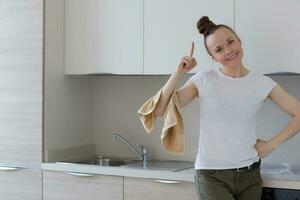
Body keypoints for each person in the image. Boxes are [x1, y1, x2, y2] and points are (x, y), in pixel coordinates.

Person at [153, 16, 300, 200]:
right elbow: (159, 110)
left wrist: (271, 145)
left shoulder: (261, 83)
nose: (229, 50)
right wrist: (178, 73)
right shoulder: (203, 80)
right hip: (212, 177)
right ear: (213, 57)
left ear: (239, 40)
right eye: (219, 49)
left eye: (231, 42)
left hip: (250, 176)